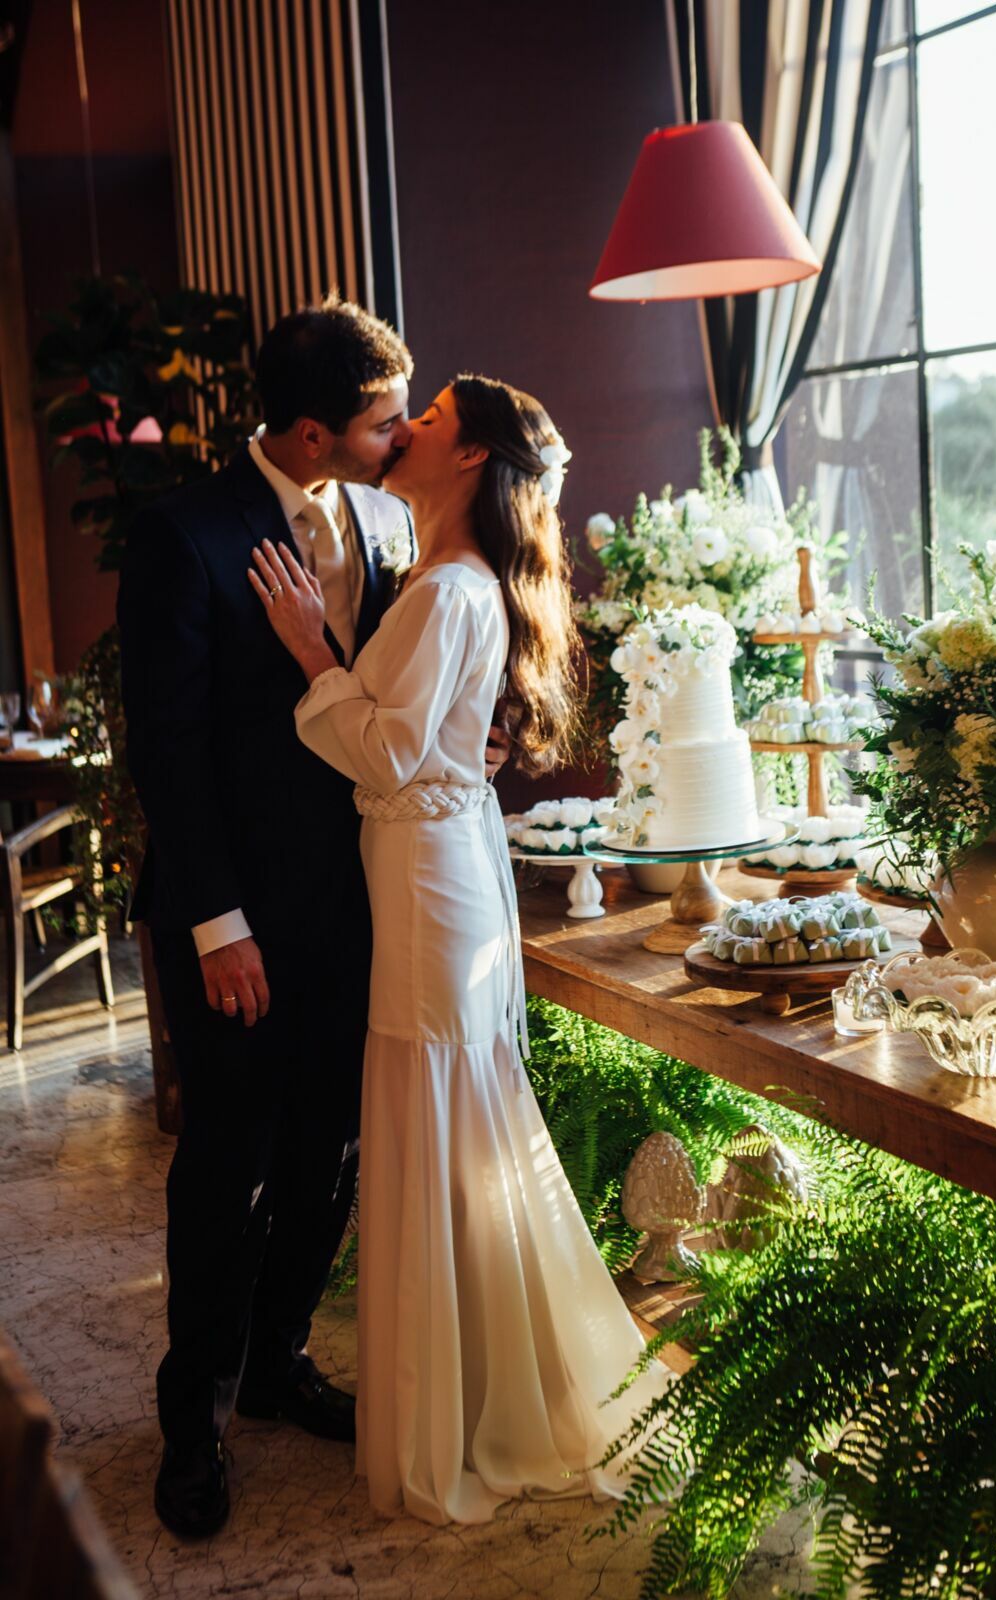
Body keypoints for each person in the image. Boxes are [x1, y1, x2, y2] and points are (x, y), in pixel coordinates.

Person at [118, 298, 508, 1540]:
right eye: (384, 420)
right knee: (224, 1163)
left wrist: (465, 743)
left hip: (367, 904)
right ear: (306, 429)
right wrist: (216, 923)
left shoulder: (394, 522)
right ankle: (197, 1417)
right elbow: (167, 755)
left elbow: (401, 697)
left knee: (327, 1156)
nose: (400, 439)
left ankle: (281, 1356)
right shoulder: (183, 536)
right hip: (237, 917)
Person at [250, 373, 671, 1526]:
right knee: (456, 1127)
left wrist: (309, 651)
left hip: (432, 888)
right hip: (438, 874)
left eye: (428, 417)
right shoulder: (453, 582)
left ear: (473, 456)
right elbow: (422, 744)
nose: (407, 429)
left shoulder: (445, 591)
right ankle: (490, 1385)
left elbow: (384, 755)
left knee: (441, 1122)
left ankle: (472, 1411)